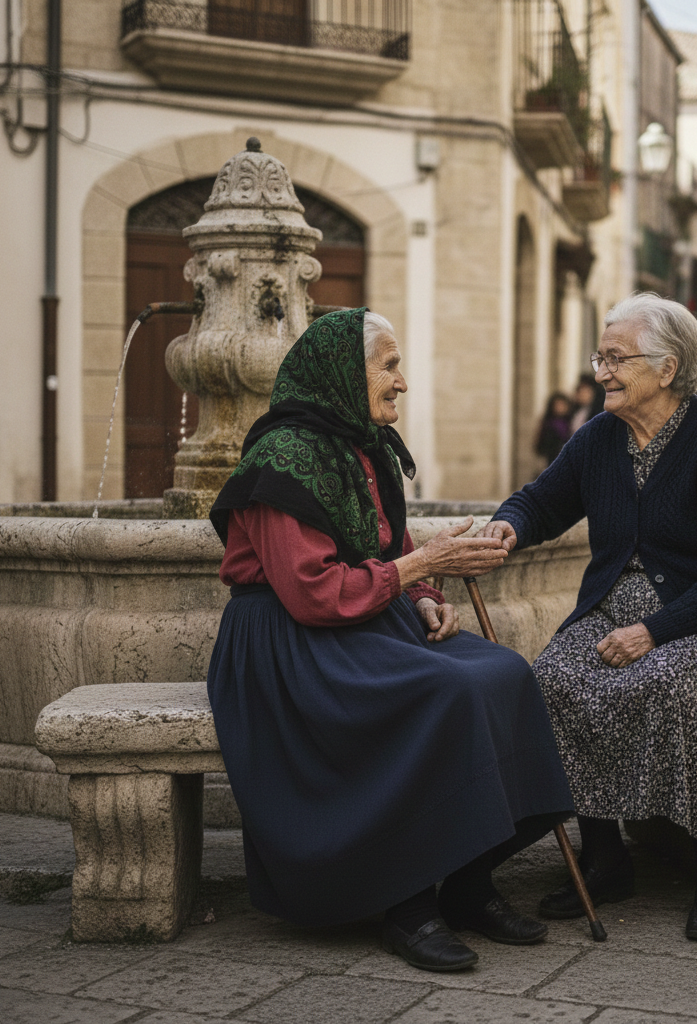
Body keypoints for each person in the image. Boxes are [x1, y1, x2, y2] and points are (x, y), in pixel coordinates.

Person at [207, 307, 574, 973]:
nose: (401, 382)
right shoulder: (280, 459)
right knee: (443, 690)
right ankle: (406, 903)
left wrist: (427, 599)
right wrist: (424, 568)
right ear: (345, 373)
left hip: (364, 618)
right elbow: (313, 593)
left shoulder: (361, 447)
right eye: (390, 365)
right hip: (292, 641)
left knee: (505, 673)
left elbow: (389, 548)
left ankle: (468, 879)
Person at [482, 293, 697, 942]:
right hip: (612, 611)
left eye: (616, 358)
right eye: (601, 357)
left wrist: (653, 631)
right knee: (556, 675)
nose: (603, 372)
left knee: (675, 681)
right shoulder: (598, 439)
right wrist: (505, 529)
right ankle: (604, 857)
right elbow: (540, 501)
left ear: (667, 368)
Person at [535, 392, 573, 466]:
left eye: (562, 405)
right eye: (557, 405)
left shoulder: (571, 420)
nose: (559, 408)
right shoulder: (548, 423)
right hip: (553, 460)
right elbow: (540, 446)